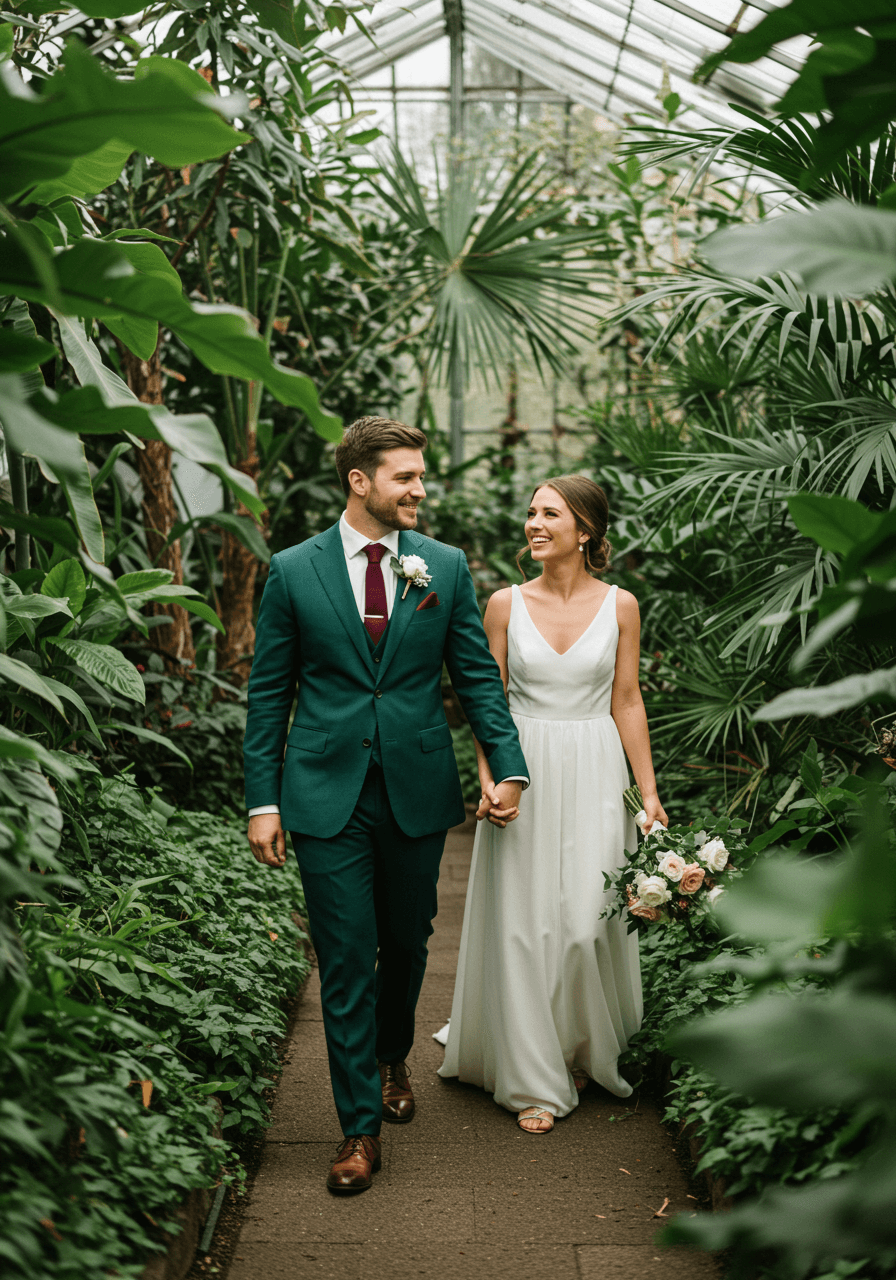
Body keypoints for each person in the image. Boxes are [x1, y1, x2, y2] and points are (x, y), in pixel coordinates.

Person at [243, 417, 528, 1191]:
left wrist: (509, 767)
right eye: (404, 476)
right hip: (322, 794)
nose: (420, 489)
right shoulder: (294, 571)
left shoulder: (443, 566)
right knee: (344, 957)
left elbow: (475, 677)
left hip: (415, 788)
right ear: (359, 482)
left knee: (405, 944)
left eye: (420, 475)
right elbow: (269, 697)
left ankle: (392, 1051)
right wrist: (261, 801)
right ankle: (358, 1130)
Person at [438, 475, 667, 1133]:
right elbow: (488, 701)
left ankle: (578, 1044)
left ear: (586, 530)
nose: (533, 524)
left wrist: (647, 793)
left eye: (549, 514)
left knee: (583, 923)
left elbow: (627, 699)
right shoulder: (504, 604)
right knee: (524, 922)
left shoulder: (621, 605)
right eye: (531, 513)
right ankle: (535, 1076)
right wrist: (491, 778)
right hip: (525, 767)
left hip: (597, 767)